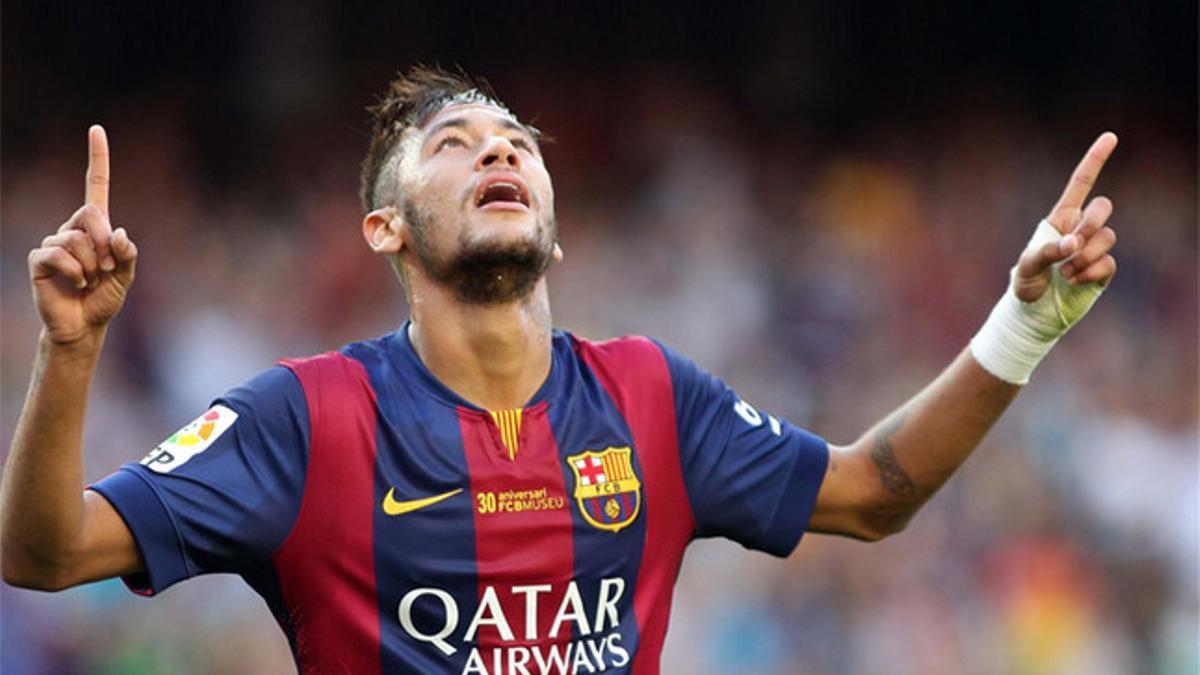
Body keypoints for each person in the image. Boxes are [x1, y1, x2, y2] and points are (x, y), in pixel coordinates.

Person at [1, 66, 1119, 674]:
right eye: (455, 145)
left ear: (552, 221)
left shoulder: (649, 396)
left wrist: (1026, 326)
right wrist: (70, 350)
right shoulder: (304, 418)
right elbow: (43, 554)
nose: (498, 151)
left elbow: (875, 493)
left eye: (518, 146)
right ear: (384, 230)